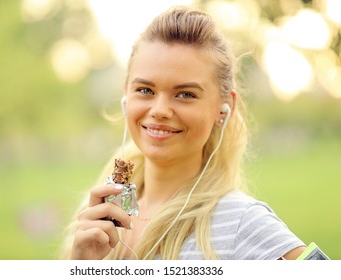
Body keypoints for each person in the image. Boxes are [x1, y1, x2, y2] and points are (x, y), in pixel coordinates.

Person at [59, 6, 306, 260]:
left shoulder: (244, 225)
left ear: (224, 109)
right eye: (145, 90)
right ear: (126, 95)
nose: (160, 110)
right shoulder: (98, 214)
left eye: (185, 94)